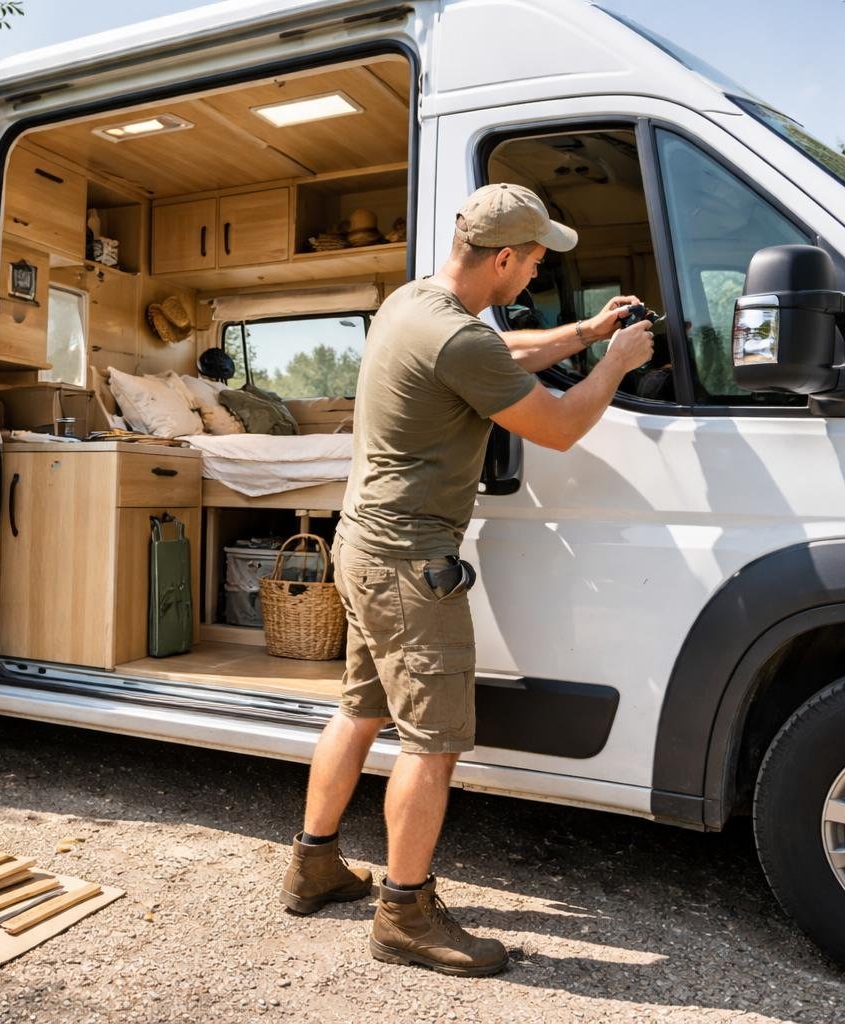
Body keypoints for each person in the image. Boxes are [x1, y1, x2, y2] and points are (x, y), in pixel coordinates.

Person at [279, 182, 655, 976]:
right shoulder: (461, 340)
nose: (531, 281)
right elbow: (556, 427)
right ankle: (405, 916)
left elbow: (501, 356)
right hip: (410, 566)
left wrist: (584, 331)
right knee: (433, 742)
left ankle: (313, 865)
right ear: (507, 257)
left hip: (363, 548)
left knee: (359, 710)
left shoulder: (412, 304)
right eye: (532, 266)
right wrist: (615, 362)